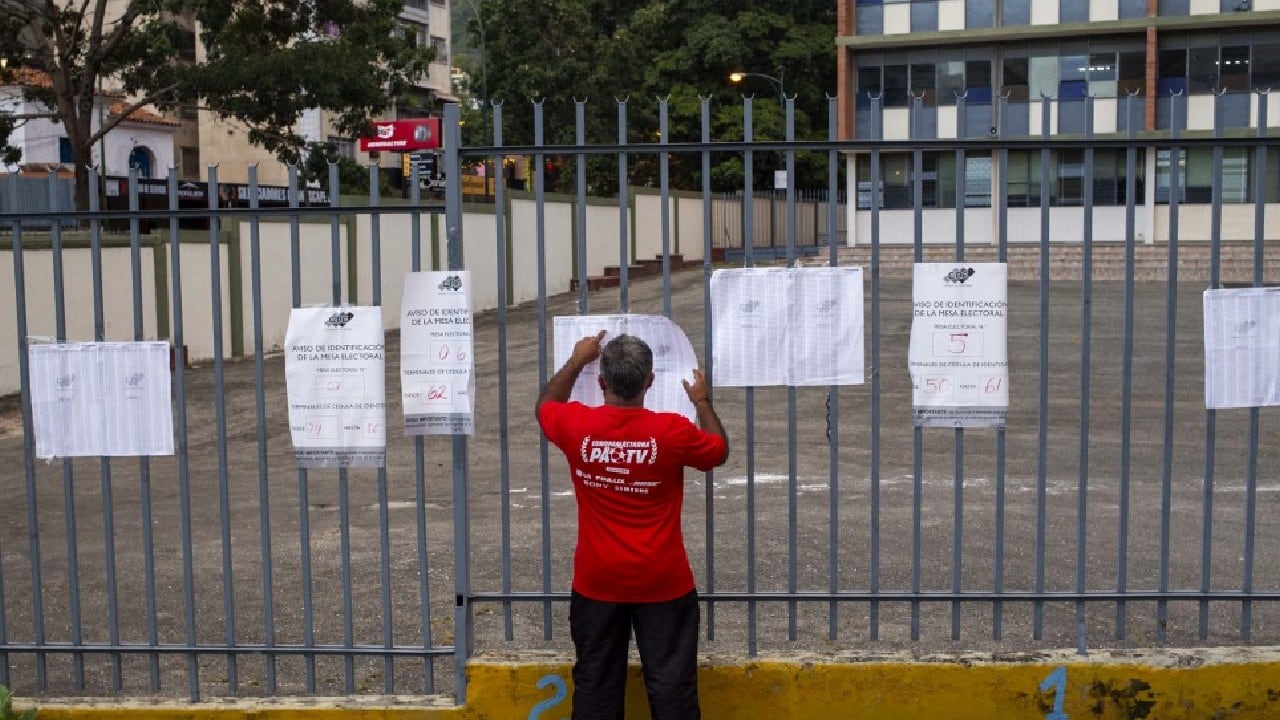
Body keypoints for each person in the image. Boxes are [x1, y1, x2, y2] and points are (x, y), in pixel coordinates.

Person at [536, 330, 729, 720]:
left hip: (597, 580)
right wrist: (702, 400)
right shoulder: (671, 431)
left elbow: (546, 405)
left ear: (602, 382)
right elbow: (717, 449)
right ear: (650, 383)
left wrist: (576, 361)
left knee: (595, 683)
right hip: (663, 580)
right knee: (672, 686)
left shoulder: (577, 426)